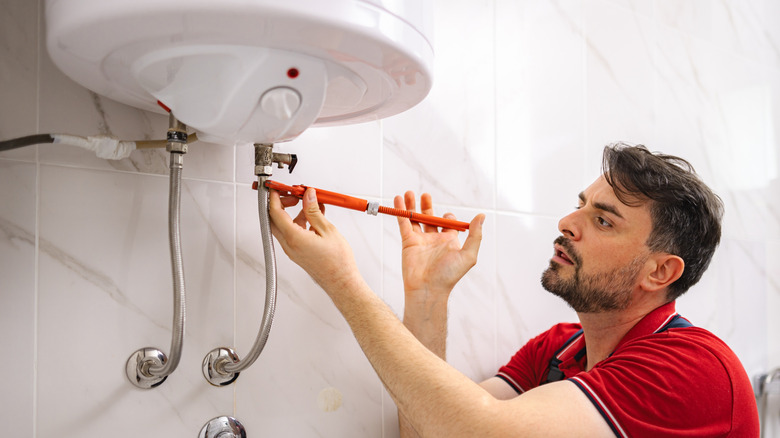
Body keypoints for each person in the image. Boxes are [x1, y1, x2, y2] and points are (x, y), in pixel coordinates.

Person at [268, 143, 759, 437]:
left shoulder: (695, 369)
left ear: (659, 272)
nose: (567, 223)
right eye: (580, 206)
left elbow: (480, 432)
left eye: (603, 221)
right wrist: (427, 296)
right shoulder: (558, 349)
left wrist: (342, 283)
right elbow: (432, 431)